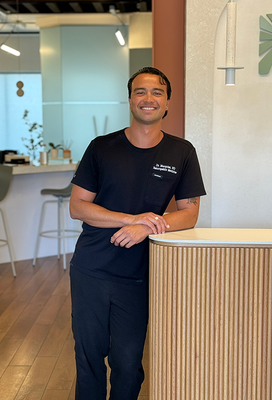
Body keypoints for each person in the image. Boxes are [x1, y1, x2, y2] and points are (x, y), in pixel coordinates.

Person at [69, 66, 206, 400]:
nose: (149, 98)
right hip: (92, 268)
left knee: (128, 363)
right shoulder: (101, 148)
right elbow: (78, 207)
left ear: (167, 103)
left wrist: (146, 227)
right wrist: (133, 218)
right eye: (141, 92)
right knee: (89, 359)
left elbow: (189, 213)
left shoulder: (181, 152)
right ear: (130, 100)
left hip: (140, 275)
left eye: (157, 92)